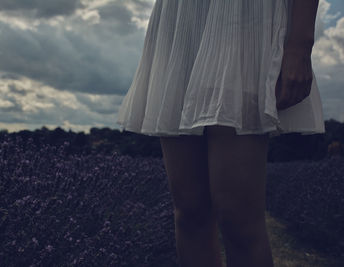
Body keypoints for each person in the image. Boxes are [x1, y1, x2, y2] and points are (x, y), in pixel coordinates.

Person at [116, 0, 324, 266]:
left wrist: (300, 43)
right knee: (190, 212)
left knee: (238, 218)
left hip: (244, 19)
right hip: (181, 22)